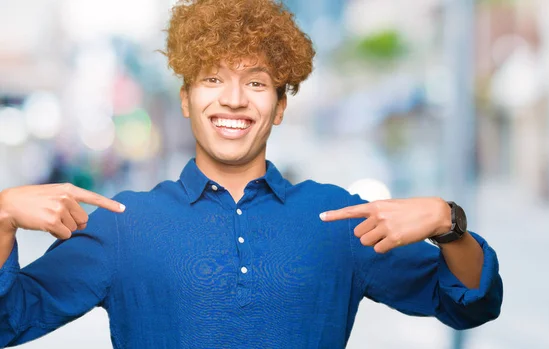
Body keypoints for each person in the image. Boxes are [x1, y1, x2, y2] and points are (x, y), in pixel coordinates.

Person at [0, 0, 503, 347]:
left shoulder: (339, 218)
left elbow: (468, 305)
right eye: (213, 78)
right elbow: (8, 322)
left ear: (280, 107)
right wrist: (2, 218)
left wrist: (448, 222)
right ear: (186, 100)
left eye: (257, 82)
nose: (234, 98)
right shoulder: (121, 223)